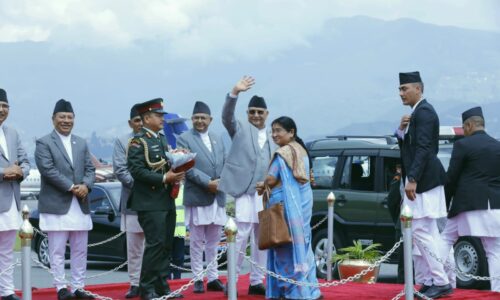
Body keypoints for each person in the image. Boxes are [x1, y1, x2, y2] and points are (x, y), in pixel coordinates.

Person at [395, 71, 452, 298]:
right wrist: (401, 130)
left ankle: (440, 280)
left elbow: (424, 149)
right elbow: (408, 147)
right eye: (399, 89)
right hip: (423, 180)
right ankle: (431, 280)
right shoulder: (416, 113)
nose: (401, 93)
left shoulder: (425, 112)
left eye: (405, 88)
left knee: (420, 230)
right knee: (426, 231)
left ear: (419, 88)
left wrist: (412, 179)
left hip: (424, 181)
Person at [219, 76, 277, 295]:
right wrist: (234, 92)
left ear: (266, 114)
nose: (255, 115)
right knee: (240, 237)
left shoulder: (274, 136)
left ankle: (256, 281)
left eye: (259, 112)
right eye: (252, 111)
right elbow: (226, 117)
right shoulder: (240, 129)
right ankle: (231, 282)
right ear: (247, 114)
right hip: (244, 192)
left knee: (261, 239)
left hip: (264, 195)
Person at [35, 99, 96, 300]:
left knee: (80, 250)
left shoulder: (81, 142)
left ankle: (79, 287)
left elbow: (90, 168)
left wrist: (86, 185)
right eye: (62, 117)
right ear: (53, 119)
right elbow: (48, 170)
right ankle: (61, 287)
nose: (66, 121)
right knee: (57, 250)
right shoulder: (44, 142)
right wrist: (72, 187)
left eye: (70, 117)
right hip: (57, 205)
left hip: (80, 204)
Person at [127, 98, 185, 300]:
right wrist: (163, 177)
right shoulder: (138, 141)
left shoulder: (160, 139)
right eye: (158, 115)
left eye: (162, 115)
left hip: (166, 199)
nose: (162, 118)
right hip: (149, 201)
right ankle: (146, 287)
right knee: (155, 244)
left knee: (166, 245)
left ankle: (162, 285)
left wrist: (178, 168)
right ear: (146, 118)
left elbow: (164, 163)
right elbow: (137, 171)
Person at [258, 116, 321, 300]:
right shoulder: (301, 150)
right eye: (273, 131)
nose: (274, 134)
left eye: (278, 130)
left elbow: (271, 178)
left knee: (283, 247)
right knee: (303, 245)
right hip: (302, 205)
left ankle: (292, 291)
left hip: (284, 207)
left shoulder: (284, 153)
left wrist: (262, 184)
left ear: (291, 132)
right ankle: (311, 290)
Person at [440, 107, 500, 292]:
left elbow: (451, 178)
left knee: (445, 239)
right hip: (495, 205)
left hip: (467, 205)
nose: (464, 131)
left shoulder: (463, 145)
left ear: (469, 125)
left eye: (464, 127)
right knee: (494, 250)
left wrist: (444, 203)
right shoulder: (497, 145)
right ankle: (497, 291)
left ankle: (439, 281)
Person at [177, 101, 227, 294]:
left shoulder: (217, 138)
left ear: (210, 119)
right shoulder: (184, 138)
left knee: (215, 240)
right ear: (192, 119)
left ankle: (213, 277)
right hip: (198, 195)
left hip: (217, 196)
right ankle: (198, 278)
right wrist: (209, 183)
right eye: (196, 117)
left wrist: (222, 181)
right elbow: (186, 166)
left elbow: (224, 163)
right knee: (197, 240)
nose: (199, 121)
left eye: (203, 118)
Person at [0, 89, 30, 300]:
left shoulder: (13, 133)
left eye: (5, 106)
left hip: (11, 202)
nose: (2, 110)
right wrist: (4, 172)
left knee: (6, 250)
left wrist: (20, 171)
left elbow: (26, 161)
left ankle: (7, 291)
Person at [112, 104, 144, 298]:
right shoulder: (122, 141)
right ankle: (135, 283)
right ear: (130, 122)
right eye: (137, 120)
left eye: (143, 119)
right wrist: (143, 186)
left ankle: (152, 282)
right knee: (134, 248)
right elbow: (120, 170)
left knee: (154, 246)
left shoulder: (157, 138)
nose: (140, 123)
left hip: (155, 204)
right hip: (132, 201)